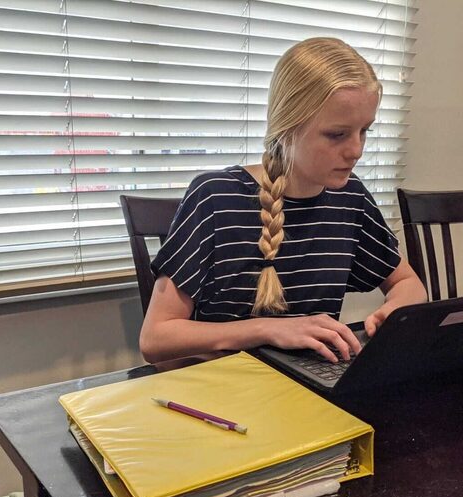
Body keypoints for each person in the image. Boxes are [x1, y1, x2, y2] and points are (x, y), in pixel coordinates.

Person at [140, 37, 427, 364]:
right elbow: (156, 338)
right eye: (337, 134)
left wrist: (393, 310)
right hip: (228, 390)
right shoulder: (215, 197)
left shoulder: (350, 198)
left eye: (365, 131)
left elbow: (408, 283)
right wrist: (268, 329)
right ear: (287, 126)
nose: (356, 150)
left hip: (311, 386)